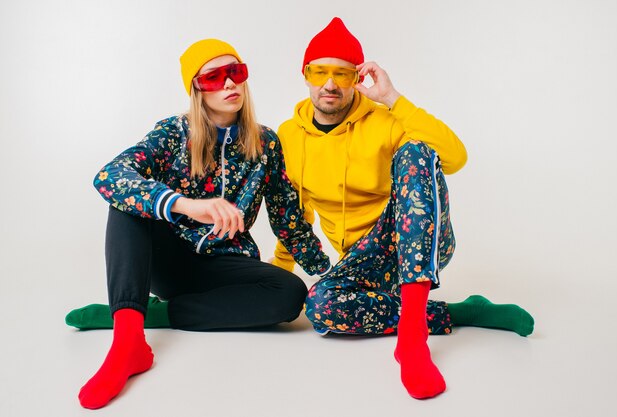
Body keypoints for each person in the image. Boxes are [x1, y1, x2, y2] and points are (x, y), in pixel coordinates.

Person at [271, 17, 534, 399]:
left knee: (417, 151)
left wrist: (392, 97)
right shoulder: (289, 136)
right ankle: (461, 312)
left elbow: (455, 157)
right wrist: (279, 276)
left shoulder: (386, 121)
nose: (330, 84)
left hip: (418, 242)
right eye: (321, 72)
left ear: (358, 78)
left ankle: (412, 340)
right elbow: (296, 213)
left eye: (342, 74)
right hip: (360, 264)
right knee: (320, 308)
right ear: (306, 74)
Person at [66, 38, 331, 409]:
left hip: (227, 265)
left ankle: (157, 314)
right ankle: (128, 343)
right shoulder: (174, 133)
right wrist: (186, 206)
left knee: (290, 295)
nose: (228, 84)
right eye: (213, 77)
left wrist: (326, 272)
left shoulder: (266, 143)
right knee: (126, 204)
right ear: (196, 87)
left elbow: (288, 218)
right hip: (170, 259)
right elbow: (110, 175)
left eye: (235, 73)